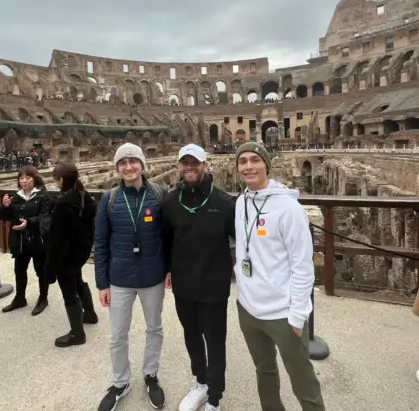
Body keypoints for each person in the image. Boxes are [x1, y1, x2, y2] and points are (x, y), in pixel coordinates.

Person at [234, 142, 326, 411]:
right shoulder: (241, 202)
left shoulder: (288, 208)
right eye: (243, 161)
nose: (249, 166)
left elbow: (302, 266)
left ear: (266, 165)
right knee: (264, 371)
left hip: (283, 313)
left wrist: (298, 314)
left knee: (302, 379)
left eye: (255, 160)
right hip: (249, 309)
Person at [161, 144, 235, 411]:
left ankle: (215, 397)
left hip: (214, 285)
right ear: (179, 166)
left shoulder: (224, 202)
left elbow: (240, 241)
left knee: (215, 341)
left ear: (206, 165)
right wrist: (167, 270)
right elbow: (166, 240)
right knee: (191, 335)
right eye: (185, 163)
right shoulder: (170, 202)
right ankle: (200, 382)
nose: (190, 167)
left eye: (196, 163)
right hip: (184, 285)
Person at [94, 143, 167, 411]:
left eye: (132, 161)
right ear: (117, 168)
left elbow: (167, 237)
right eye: (122, 163)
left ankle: (150, 374)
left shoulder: (159, 194)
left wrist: (169, 269)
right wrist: (102, 283)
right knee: (117, 335)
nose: (128, 167)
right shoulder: (109, 198)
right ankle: (121, 381)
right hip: (120, 278)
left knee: (154, 328)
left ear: (142, 165)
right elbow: (100, 242)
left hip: (152, 276)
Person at [45, 162, 98, 348]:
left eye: (56, 180)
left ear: (61, 180)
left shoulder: (64, 205)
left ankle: (77, 334)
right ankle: (90, 314)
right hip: (80, 252)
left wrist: (49, 269)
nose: (56, 184)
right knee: (78, 280)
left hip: (66, 257)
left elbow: (55, 241)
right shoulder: (84, 197)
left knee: (69, 291)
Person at [0, 165, 52, 316]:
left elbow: (45, 217)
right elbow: (4, 217)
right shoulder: (16, 197)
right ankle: (20, 298)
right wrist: (6, 207)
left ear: (34, 178)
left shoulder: (43, 196)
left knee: (40, 271)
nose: (24, 181)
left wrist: (29, 222)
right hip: (20, 240)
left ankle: (43, 298)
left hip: (38, 240)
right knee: (19, 271)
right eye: (21, 178)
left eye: (27, 178)